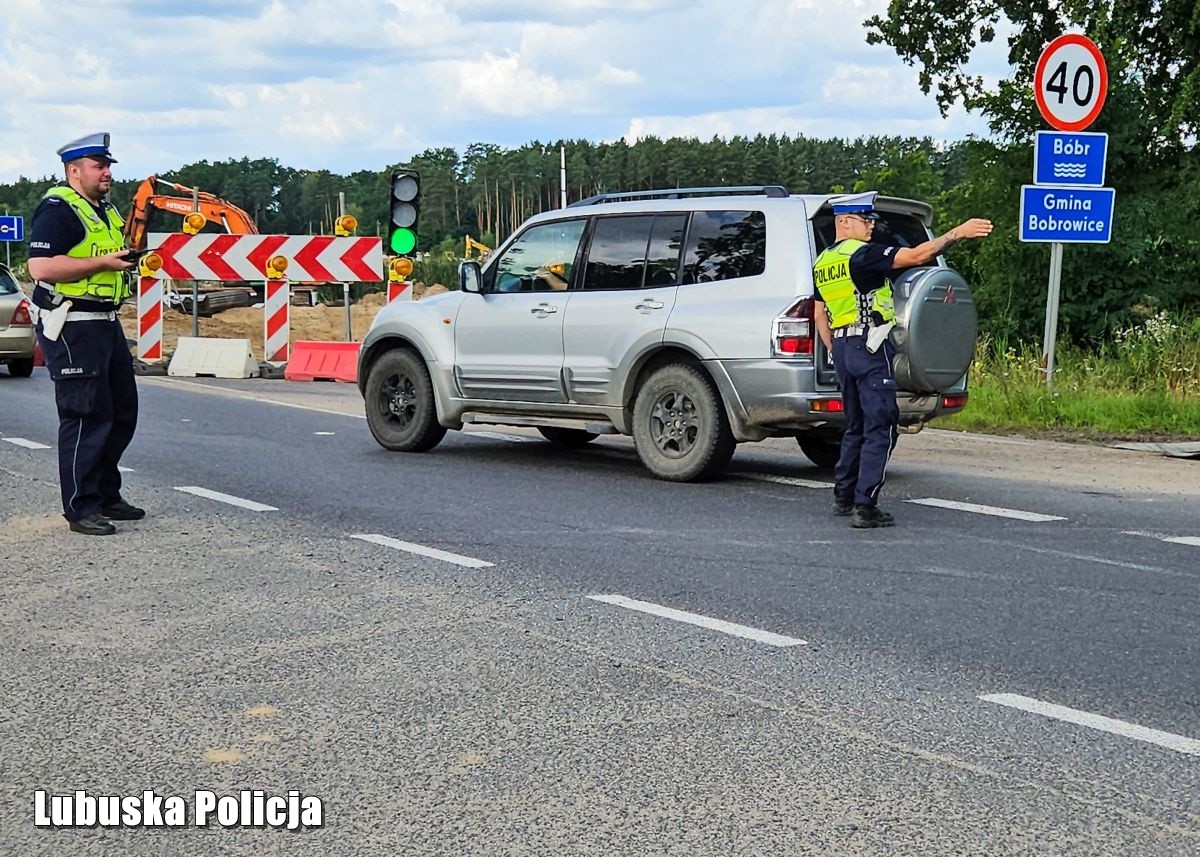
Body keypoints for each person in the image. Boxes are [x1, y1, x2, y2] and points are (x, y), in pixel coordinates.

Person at [813, 191, 992, 529]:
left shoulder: (824, 261)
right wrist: (958, 232)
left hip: (844, 349)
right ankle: (865, 507)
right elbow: (917, 255)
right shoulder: (861, 255)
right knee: (880, 426)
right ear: (845, 222)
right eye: (865, 220)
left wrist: (836, 349)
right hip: (870, 347)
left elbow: (819, 314)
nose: (871, 226)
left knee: (855, 425)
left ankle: (843, 496)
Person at [27, 132, 143, 536]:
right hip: (72, 323)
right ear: (74, 171)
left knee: (122, 412)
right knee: (86, 415)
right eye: (99, 166)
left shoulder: (103, 210)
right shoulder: (58, 209)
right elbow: (41, 268)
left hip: (104, 320)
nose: (107, 172)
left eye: (108, 165)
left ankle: (106, 494)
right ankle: (81, 507)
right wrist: (103, 264)